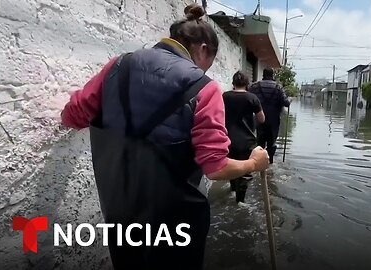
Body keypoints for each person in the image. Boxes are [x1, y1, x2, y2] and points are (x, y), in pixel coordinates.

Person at [60, 4, 269, 270]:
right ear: (203, 50)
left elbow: (75, 114)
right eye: (209, 63)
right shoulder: (205, 89)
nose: (203, 71)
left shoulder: (119, 65)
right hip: (175, 224)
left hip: (120, 216)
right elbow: (215, 167)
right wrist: (254, 164)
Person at [223, 71, 265, 204]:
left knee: (232, 166)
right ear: (247, 84)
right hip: (246, 141)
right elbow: (262, 119)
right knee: (245, 171)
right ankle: (240, 202)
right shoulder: (252, 98)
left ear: (233, 83)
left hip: (228, 140)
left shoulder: (224, 96)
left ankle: (232, 190)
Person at [249, 67, 290, 164]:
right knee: (271, 143)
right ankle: (269, 162)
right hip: (274, 121)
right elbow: (286, 103)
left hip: (259, 119)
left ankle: (259, 164)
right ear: (272, 75)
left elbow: (248, 97)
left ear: (263, 75)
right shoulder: (278, 88)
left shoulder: (255, 86)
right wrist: (289, 101)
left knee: (260, 143)